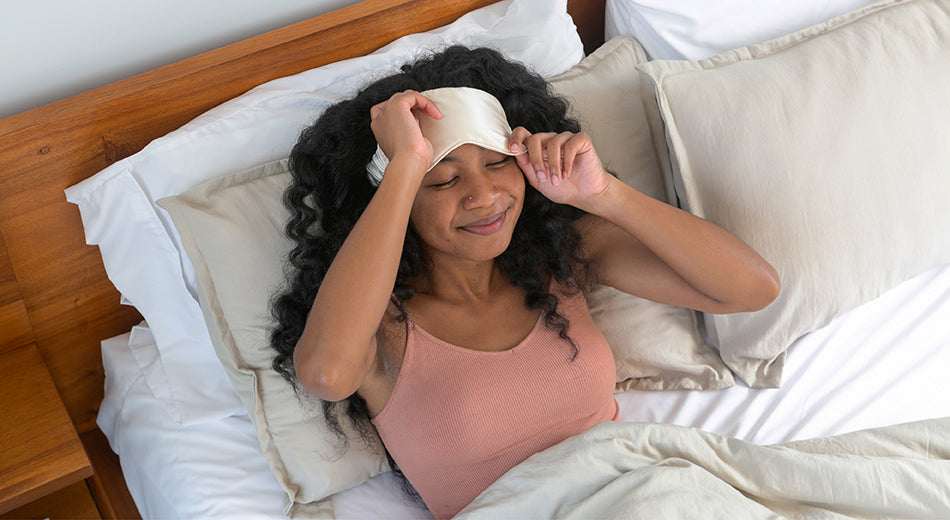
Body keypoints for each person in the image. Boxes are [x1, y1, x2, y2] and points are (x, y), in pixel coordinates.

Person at [270, 46, 780, 519]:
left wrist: (604, 195)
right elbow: (324, 373)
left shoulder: (557, 259)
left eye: (496, 163)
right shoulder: (380, 324)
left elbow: (752, 289)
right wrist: (406, 162)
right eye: (444, 179)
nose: (483, 194)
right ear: (398, 197)